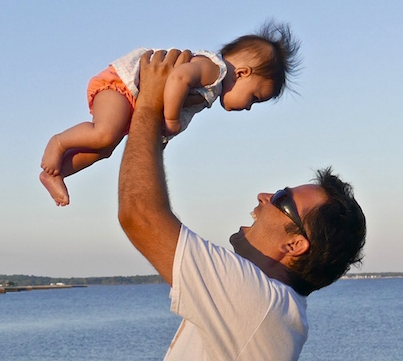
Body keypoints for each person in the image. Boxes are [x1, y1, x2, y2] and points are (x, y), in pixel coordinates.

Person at [118, 49, 367, 360]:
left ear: (295, 245)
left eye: (280, 199)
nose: (264, 196)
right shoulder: (273, 309)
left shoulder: (258, 302)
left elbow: (139, 215)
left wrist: (150, 104)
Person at [40, 20, 300, 206]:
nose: (248, 107)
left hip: (135, 103)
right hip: (124, 84)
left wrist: (159, 140)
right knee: (104, 134)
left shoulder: (211, 91)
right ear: (243, 73)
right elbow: (177, 78)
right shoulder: (214, 70)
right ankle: (59, 142)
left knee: (104, 149)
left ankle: (57, 173)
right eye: (254, 97)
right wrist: (172, 118)